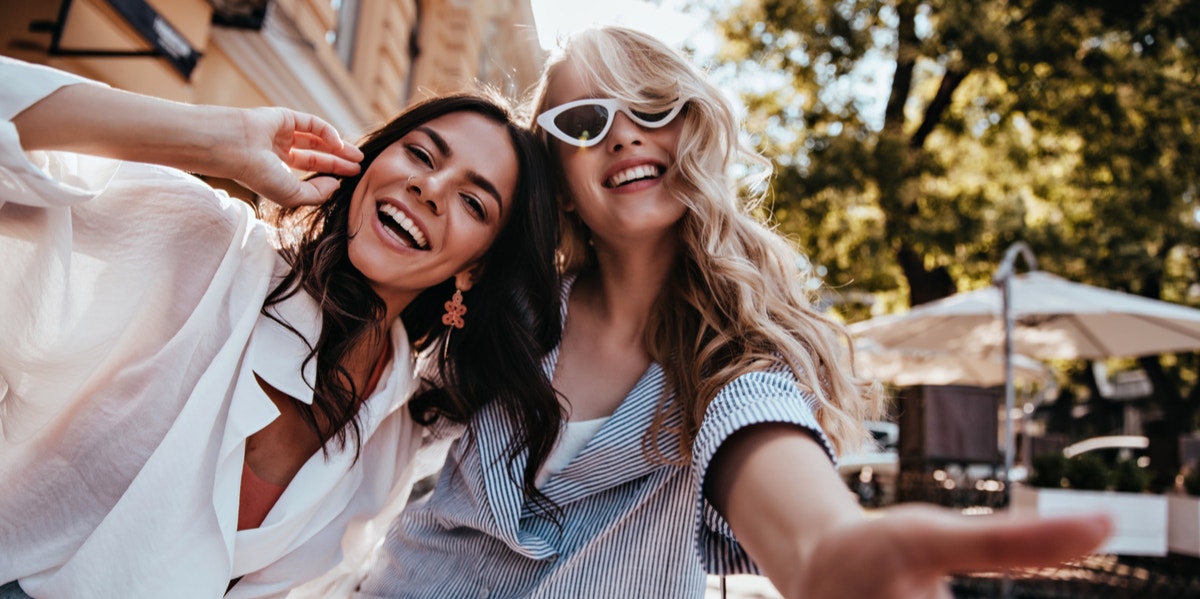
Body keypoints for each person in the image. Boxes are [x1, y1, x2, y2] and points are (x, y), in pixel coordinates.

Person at [351, 26, 1111, 599]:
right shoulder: (505, 305)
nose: (623, 133)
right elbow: (357, 266)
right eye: (583, 122)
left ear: (690, 126)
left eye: (652, 106)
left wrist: (827, 552)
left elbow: (785, 487)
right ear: (559, 175)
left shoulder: (734, 360)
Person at [0, 57, 560, 599]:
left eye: (472, 202)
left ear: (476, 267)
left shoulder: (401, 428)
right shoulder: (215, 251)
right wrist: (218, 139)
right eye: (419, 154)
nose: (430, 189)